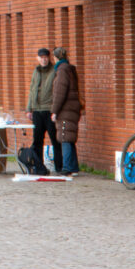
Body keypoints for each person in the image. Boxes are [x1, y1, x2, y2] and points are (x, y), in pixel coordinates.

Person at [49, 45, 82, 175]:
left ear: (56, 57)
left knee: (64, 137)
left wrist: (54, 111)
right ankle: (74, 167)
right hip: (72, 109)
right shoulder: (70, 69)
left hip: (65, 110)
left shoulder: (61, 70)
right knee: (69, 137)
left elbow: (59, 93)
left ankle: (67, 167)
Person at [26, 47, 58, 175]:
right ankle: (38, 166)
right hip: (37, 111)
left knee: (55, 140)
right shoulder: (36, 71)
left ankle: (60, 167)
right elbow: (32, 90)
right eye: (41, 57)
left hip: (49, 110)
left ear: (49, 58)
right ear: (37, 58)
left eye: (46, 57)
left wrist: (55, 110)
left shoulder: (54, 70)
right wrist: (29, 109)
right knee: (37, 140)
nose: (44, 60)